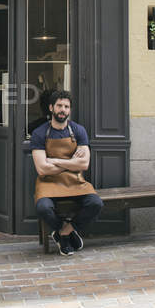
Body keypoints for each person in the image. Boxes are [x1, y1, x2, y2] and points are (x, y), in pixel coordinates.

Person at [30, 90, 103, 256]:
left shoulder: (78, 131)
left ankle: (65, 231)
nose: (63, 109)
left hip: (75, 181)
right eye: (59, 106)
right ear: (51, 108)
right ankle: (63, 230)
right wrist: (72, 163)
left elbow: (84, 164)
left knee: (95, 203)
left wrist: (55, 161)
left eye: (66, 106)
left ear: (69, 110)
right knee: (43, 208)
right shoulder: (40, 133)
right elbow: (42, 168)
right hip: (48, 182)